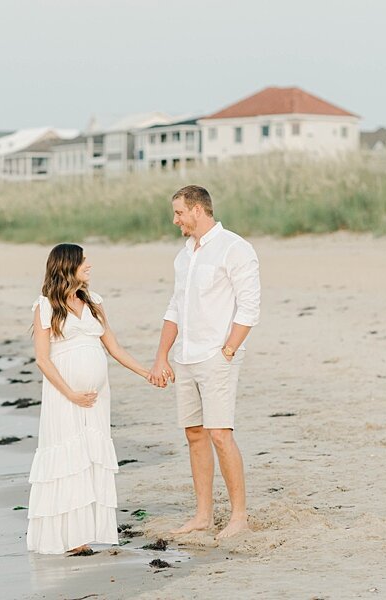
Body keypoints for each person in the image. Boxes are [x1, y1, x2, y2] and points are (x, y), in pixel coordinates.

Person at [149, 185, 261, 540]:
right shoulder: (184, 255)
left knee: (220, 434)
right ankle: (203, 516)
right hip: (185, 357)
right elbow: (174, 308)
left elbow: (249, 306)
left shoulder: (235, 248)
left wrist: (228, 350)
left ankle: (239, 517)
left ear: (198, 210)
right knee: (195, 434)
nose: (175, 219)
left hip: (217, 356)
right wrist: (162, 356)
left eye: (179, 212)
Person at [26, 243, 150, 555]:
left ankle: (88, 531)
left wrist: (147, 372)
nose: (89, 265)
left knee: (90, 458)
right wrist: (70, 393)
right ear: (67, 266)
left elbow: (115, 348)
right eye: (83, 261)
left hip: (97, 398)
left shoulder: (94, 302)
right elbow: (43, 359)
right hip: (64, 396)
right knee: (69, 460)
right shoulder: (45, 306)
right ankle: (70, 538)